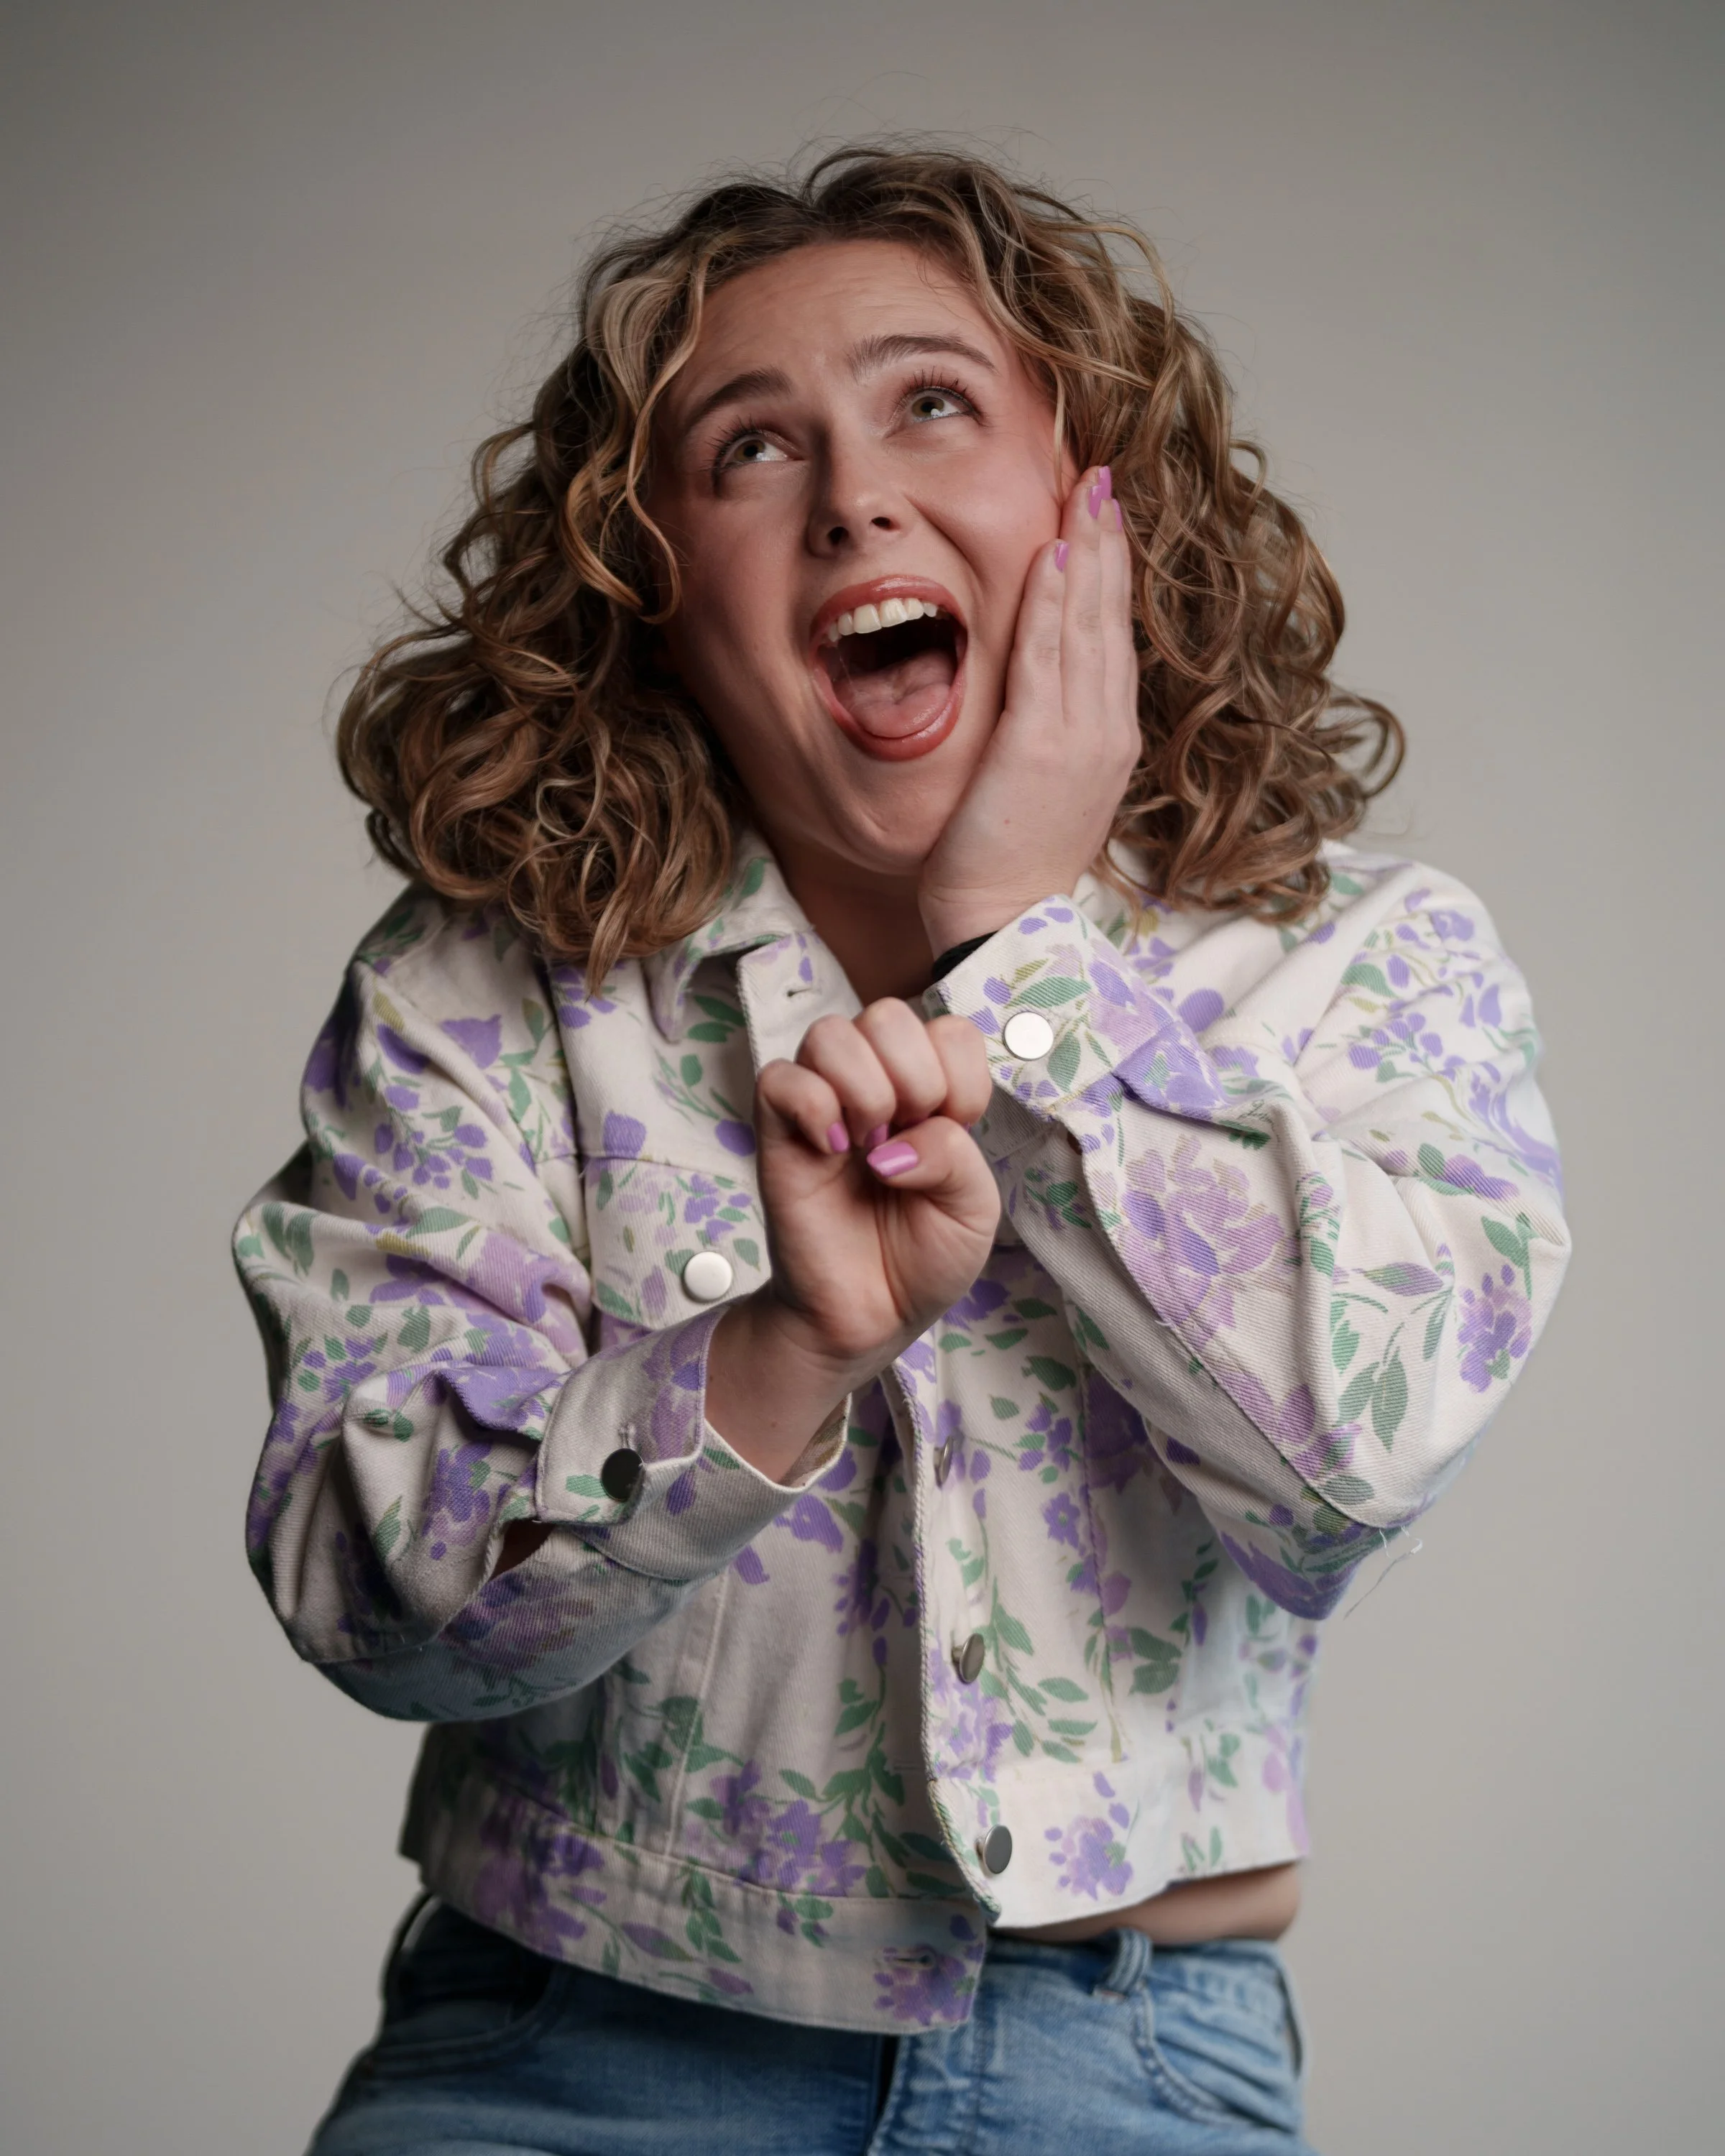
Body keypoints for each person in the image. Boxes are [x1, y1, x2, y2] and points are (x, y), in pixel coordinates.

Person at [235, 145, 1570, 2155]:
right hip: (565, 2062)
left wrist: (1020, 960)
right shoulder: (482, 997)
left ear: (1092, 496)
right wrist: (768, 1367)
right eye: (748, 447)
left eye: (931, 402)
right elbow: (367, 1585)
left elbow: (1339, 1470)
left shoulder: (1373, 968)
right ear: (651, 589)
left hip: (1136, 2067)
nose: (854, 493)